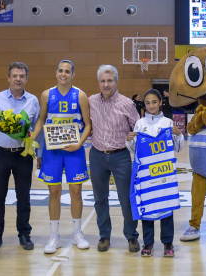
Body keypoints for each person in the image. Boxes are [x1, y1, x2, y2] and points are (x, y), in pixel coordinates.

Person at [32, 60, 92, 254]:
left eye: (67, 71)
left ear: (73, 74)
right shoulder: (46, 95)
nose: (63, 74)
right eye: (60, 71)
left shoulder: (81, 95)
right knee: (54, 193)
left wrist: (80, 143)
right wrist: (32, 139)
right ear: (56, 73)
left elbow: (88, 124)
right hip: (52, 150)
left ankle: (77, 233)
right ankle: (54, 236)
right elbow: (41, 120)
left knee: (75, 191)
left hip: (75, 150)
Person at [0, 62, 40, 253]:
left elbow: (37, 128)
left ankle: (24, 234)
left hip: (23, 156)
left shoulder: (33, 101)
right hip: (0, 155)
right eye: (14, 75)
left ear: (26, 79)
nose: (18, 79)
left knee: (24, 197)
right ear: (8, 78)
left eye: (21, 76)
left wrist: (38, 154)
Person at [126, 89, 184, 257]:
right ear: (144, 105)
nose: (151, 106)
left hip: (164, 174)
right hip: (146, 174)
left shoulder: (168, 123)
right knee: (148, 208)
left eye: (154, 102)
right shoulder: (139, 124)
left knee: (166, 207)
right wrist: (129, 140)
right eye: (147, 103)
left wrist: (179, 135)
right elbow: (135, 149)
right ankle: (148, 244)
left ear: (160, 102)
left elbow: (178, 148)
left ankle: (168, 243)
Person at [88, 65, 140, 252]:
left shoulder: (127, 104)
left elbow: (138, 129)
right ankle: (104, 236)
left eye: (110, 80)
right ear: (99, 82)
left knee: (126, 199)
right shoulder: (90, 101)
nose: (106, 84)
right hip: (97, 155)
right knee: (100, 199)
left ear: (116, 82)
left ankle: (132, 236)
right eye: (102, 81)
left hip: (121, 156)